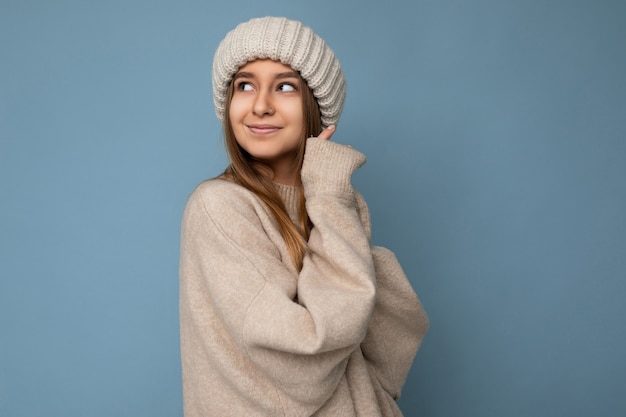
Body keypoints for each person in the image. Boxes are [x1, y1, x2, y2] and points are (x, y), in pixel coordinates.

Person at [179, 16, 429, 417]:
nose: (261, 105)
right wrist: (331, 201)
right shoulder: (219, 206)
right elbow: (308, 357)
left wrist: (331, 198)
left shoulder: (331, 200)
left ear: (315, 105)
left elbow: (387, 353)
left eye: (284, 86)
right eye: (244, 85)